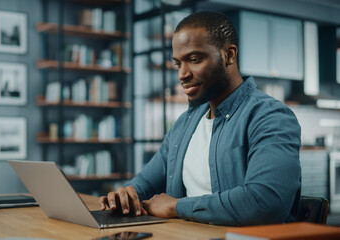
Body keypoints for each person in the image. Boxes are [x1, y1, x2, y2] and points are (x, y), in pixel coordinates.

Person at [99, 11, 301, 226]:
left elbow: (265, 203)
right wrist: (126, 197)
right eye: (178, 64)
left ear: (229, 55)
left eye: (194, 60)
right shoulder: (185, 123)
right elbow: (146, 182)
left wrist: (175, 206)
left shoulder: (270, 116)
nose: (182, 74)